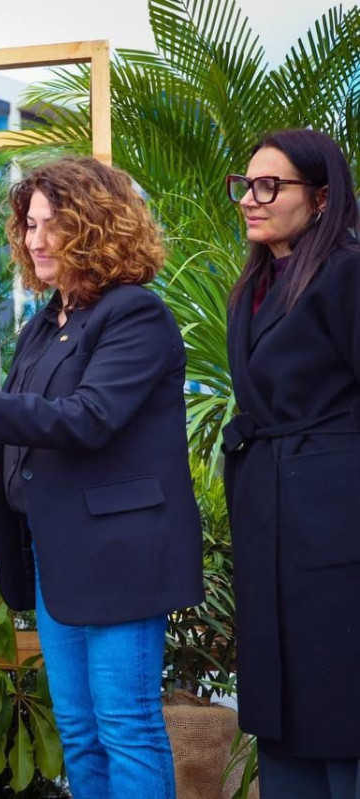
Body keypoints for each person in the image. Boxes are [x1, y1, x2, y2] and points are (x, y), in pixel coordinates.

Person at [0, 156, 204, 799]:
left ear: (98, 229)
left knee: (125, 727)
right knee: (79, 731)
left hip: (120, 558)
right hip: (55, 557)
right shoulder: (47, 322)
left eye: (53, 227)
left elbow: (89, 418)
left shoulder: (135, 315)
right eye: (30, 226)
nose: (36, 241)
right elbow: (27, 425)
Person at [221, 129, 360, 799]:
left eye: (270, 185)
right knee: (285, 708)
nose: (251, 198)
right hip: (271, 516)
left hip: (336, 520)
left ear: (324, 196)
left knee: (342, 701)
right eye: (245, 185)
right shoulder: (252, 286)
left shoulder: (348, 270)